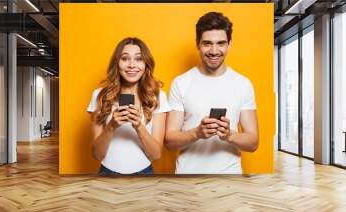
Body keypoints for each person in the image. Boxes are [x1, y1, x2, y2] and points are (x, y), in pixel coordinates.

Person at [165, 12, 259, 174]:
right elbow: (169, 142)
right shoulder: (181, 83)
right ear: (198, 44)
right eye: (207, 43)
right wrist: (197, 132)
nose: (214, 51)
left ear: (229, 44)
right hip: (188, 180)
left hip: (230, 179)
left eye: (220, 43)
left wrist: (229, 135)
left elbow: (253, 143)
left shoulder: (243, 84)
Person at [87, 37, 170, 175]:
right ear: (117, 63)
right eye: (125, 58)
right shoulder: (99, 96)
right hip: (108, 173)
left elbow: (156, 154)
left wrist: (138, 126)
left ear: (146, 64)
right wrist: (112, 126)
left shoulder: (158, 96)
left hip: (144, 173)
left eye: (138, 59)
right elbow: (97, 155)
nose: (132, 65)